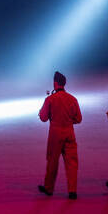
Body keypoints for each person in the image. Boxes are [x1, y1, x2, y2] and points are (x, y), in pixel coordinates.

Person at [38, 71, 82, 199]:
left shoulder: (50, 99)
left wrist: (41, 112)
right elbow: (79, 119)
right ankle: (72, 190)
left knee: (52, 161)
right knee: (72, 162)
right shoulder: (73, 99)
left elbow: (43, 118)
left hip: (55, 133)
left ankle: (49, 188)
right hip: (69, 131)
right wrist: (69, 121)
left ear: (55, 83)